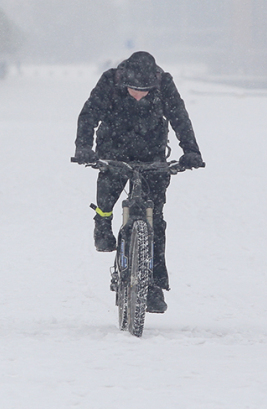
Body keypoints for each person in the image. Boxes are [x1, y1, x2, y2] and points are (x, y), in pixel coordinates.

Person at [73, 51, 204, 314]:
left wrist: (191, 151)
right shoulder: (110, 81)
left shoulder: (163, 83)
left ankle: (153, 285)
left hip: (152, 153)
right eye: (133, 90)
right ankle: (102, 221)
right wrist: (83, 147)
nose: (138, 96)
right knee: (108, 189)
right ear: (125, 81)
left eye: (144, 92)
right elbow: (89, 113)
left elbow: (179, 116)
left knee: (155, 218)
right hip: (114, 149)